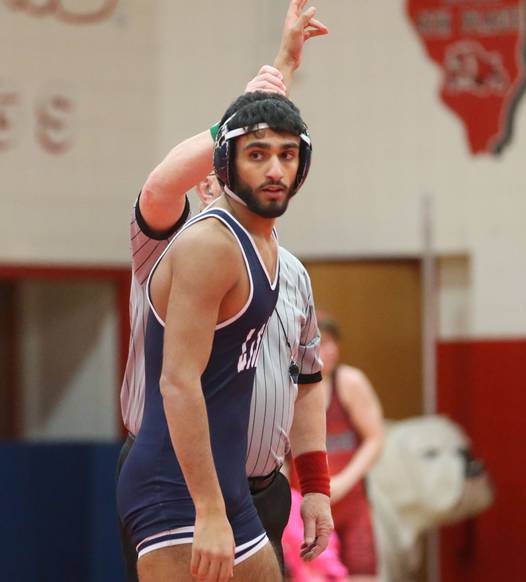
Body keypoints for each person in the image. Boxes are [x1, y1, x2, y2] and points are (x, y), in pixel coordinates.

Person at [116, 6, 332, 581]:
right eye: (251, 155)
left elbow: (308, 385)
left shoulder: (279, 260)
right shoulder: (186, 242)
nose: (270, 168)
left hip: (241, 483)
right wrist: (209, 509)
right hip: (180, 482)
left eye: (284, 157)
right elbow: (178, 381)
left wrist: (282, 69)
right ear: (219, 165)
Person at [314, 315, 385, 581]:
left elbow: (376, 438)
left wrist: (345, 480)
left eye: (333, 342)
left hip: (351, 505)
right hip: (309, 510)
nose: (329, 350)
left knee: (362, 574)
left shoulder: (350, 382)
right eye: (321, 342)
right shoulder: (290, 385)